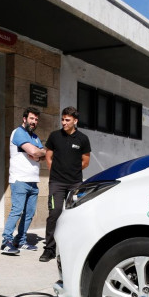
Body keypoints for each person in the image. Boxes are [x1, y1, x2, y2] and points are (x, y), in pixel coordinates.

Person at [40, 106, 91, 262]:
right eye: (62, 119)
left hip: (75, 183)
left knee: (74, 215)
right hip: (56, 183)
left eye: (67, 120)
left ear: (75, 121)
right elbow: (49, 157)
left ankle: (73, 248)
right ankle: (49, 249)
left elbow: (86, 162)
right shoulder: (55, 136)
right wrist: (56, 172)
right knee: (54, 214)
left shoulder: (83, 139)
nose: (64, 122)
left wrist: (72, 171)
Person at [1, 107, 45, 255]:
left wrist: (39, 153)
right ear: (24, 119)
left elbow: (43, 154)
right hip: (20, 179)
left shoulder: (35, 137)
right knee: (17, 211)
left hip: (33, 181)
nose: (34, 122)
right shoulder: (18, 132)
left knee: (29, 213)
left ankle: (20, 240)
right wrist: (36, 153)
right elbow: (34, 152)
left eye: (36, 119)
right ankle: (6, 241)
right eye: (32, 118)